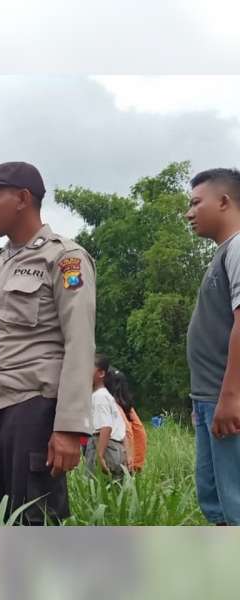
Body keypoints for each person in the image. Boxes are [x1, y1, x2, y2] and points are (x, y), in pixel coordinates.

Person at [0, 161, 96, 525]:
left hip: (31, 408)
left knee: (32, 515)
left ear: (22, 198)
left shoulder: (65, 259)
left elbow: (80, 343)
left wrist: (68, 428)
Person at [186, 167, 240, 525]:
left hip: (227, 402)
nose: (189, 213)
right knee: (216, 501)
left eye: (195, 203)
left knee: (234, 500)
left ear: (223, 202)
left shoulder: (238, 247)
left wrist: (231, 397)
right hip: (209, 400)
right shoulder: (222, 254)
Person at [85, 355, 128, 478]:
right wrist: (128, 455)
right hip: (116, 449)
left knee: (96, 488)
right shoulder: (107, 396)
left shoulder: (99, 397)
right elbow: (123, 431)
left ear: (101, 373)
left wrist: (100, 455)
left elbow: (106, 427)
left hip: (104, 446)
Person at [108, 368, 146, 473]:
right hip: (131, 461)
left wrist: (130, 462)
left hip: (121, 460)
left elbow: (127, 432)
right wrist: (137, 463)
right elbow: (140, 431)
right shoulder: (127, 406)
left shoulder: (112, 405)